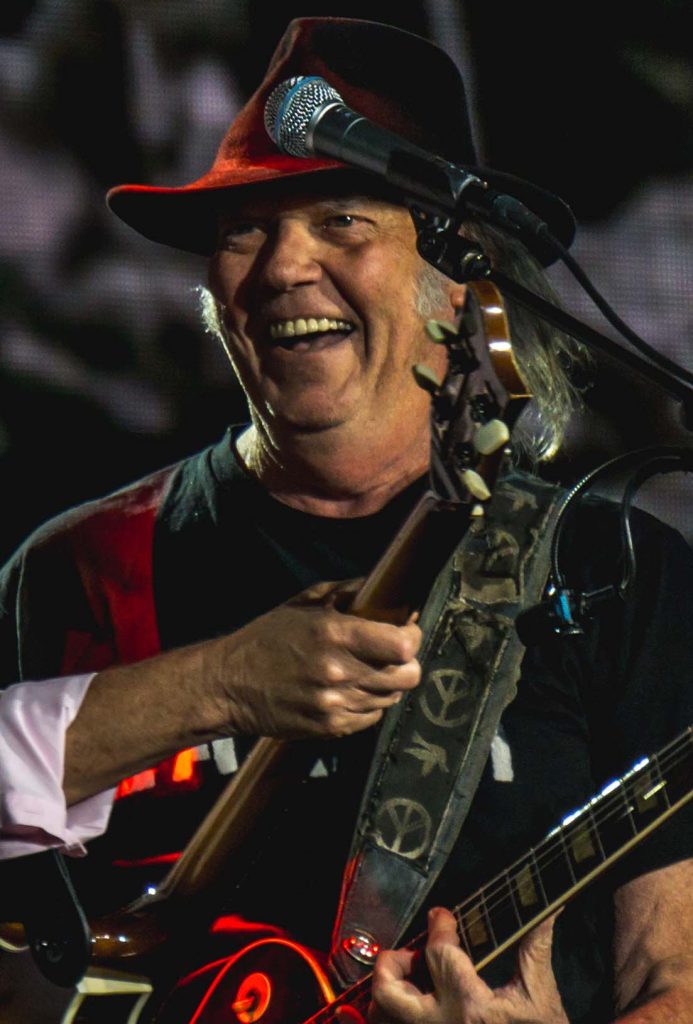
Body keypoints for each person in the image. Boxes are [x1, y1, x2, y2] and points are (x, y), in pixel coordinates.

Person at [0, 16, 691, 1024]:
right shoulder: (87, 567)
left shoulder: (621, 569)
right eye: (246, 228)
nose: (284, 266)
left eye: (342, 219)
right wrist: (227, 680)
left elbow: (674, 978)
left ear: (458, 287)